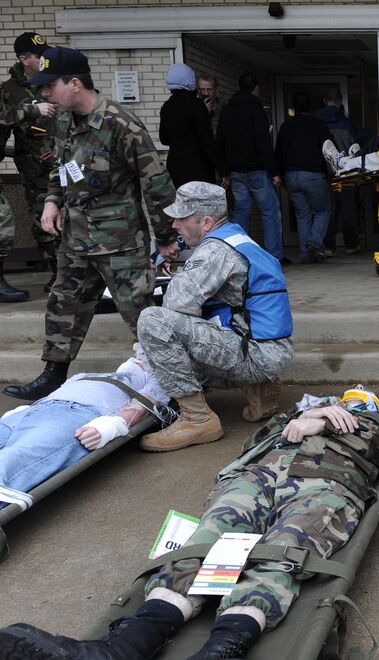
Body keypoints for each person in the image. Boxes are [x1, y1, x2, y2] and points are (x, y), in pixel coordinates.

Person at [0, 386, 379, 660]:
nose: (357, 390)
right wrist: (305, 418)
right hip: (255, 478)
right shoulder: (296, 417)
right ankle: (122, 652)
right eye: (350, 392)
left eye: (364, 394)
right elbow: (251, 444)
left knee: (282, 554)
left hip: (325, 486)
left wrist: (358, 423)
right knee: (209, 544)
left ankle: (215, 655)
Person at [2, 47, 175, 403]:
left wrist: (167, 237)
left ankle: (175, 384)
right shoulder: (62, 121)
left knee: (142, 317)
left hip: (121, 244)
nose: (44, 94)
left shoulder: (121, 124)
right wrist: (52, 201)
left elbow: (156, 184)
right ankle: (53, 375)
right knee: (63, 306)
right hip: (75, 240)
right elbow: (58, 168)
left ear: (75, 83)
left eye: (50, 86)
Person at [137, 181, 293, 453]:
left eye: (181, 218)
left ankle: (197, 419)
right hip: (265, 349)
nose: (174, 225)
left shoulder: (214, 250)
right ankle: (256, 386)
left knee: (153, 323)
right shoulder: (238, 239)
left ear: (206, 222)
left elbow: (175, 305)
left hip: (255, 354)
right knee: (169, 346)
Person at [0, 345, 168, 511]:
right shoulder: (85, 375)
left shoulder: (157, 376)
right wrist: (25, 410)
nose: (143, 351)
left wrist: (116, 424)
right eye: (141, 346)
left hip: (75, 413)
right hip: (31, 412)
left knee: (13, 459)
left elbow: (147, 403)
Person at [0, 31, 58, 299]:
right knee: (42, 220)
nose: (44, 58)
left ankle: (70, 272)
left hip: (65, 164)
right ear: (24, 59)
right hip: (35, 169)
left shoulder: (54, 81)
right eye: (38, 55)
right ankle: (56, 271)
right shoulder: (9, 92)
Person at [217, 73, 285, 264]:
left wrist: (225, 170)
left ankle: (239, 256)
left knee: (240, 211)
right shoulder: (256, 110)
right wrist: (273, 171)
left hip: (236, 170)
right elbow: (262, 142)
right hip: (257, 169)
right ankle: (274, 257)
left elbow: (220, 140)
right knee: (270, 212)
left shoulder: (227, 110)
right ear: (256, 88)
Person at [275, 91, 334, 264]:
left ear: (294, 107)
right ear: (310, 107)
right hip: (313, 175)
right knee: (323, 211)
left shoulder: (286, 126)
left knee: (302, 215)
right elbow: (329, 148)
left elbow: (279, 152)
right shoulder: (317, 124)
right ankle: (315, 241)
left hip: (291, 177)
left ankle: (305, 256)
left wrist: (277, 173)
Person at [313, 88, 363, 255]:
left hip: (324, 174)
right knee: (349, 209)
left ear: (324, 101)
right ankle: (351, 245)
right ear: (340, 102)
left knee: (328, 210)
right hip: (346, 173)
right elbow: (354, 149)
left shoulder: (316, 122)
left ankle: (329, 247)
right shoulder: (347, 123)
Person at [159, 63, 226, 188]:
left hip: (175, 167)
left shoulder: (167, 106)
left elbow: (164, 139)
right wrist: (223, 170)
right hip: (198, 167)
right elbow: (207, 141)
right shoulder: (196, 105)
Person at [196, 73, 221, 139]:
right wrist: (203, 114)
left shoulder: (225, 109)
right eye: (202, 89)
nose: (206, 93)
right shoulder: (193, 109)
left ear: (216, 89)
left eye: (209, 89)